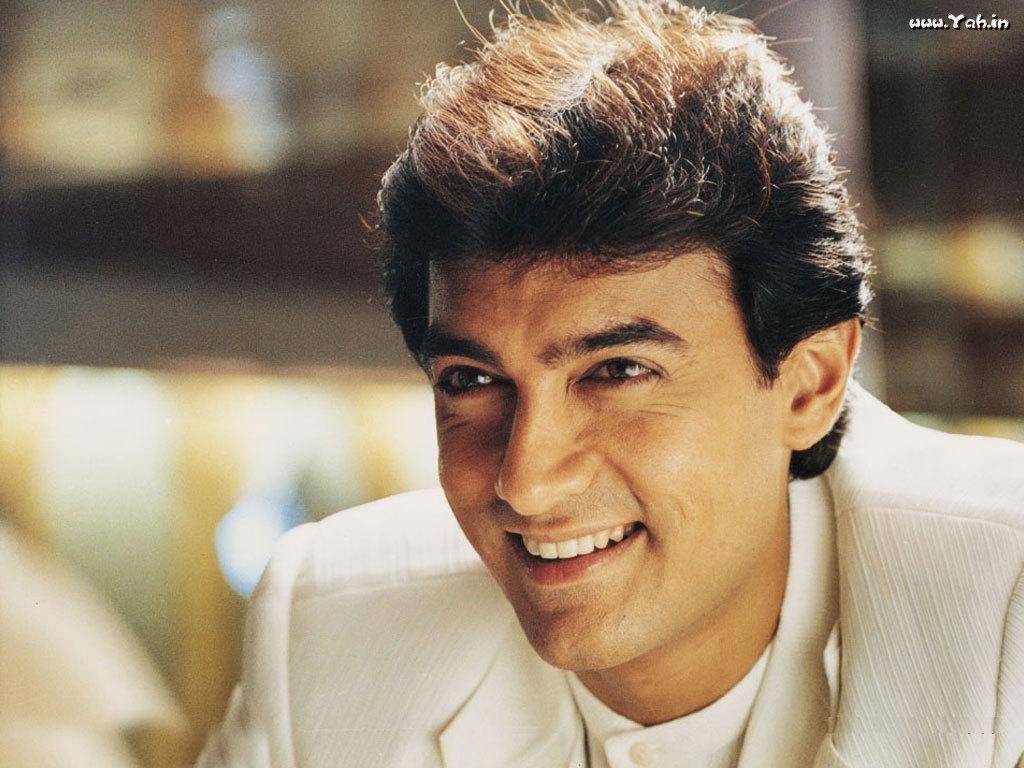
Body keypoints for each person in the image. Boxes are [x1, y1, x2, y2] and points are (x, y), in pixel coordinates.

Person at [199, 3, 1024, 766]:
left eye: (617, 371)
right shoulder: (329, 626)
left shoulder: (1008, 609)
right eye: (472, 379)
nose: (527, 482)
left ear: (810, 386)